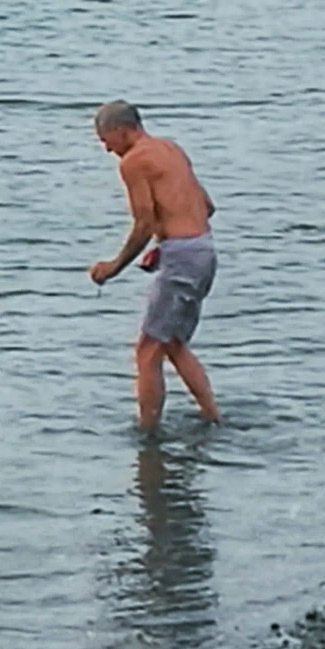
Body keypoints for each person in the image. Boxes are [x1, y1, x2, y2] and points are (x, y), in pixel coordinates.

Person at [87, 102, 219, 429]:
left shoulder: (134, 161)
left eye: (105, 140)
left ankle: (147, 433)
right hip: (202, 251)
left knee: (147, 349)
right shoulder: (170, 148)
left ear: (122, 130)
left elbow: (143, 224)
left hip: (183, 257)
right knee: (172, 343)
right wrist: (167, 243)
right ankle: (212, 416)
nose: (106, 149)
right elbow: (207, 206)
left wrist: (113, 267)